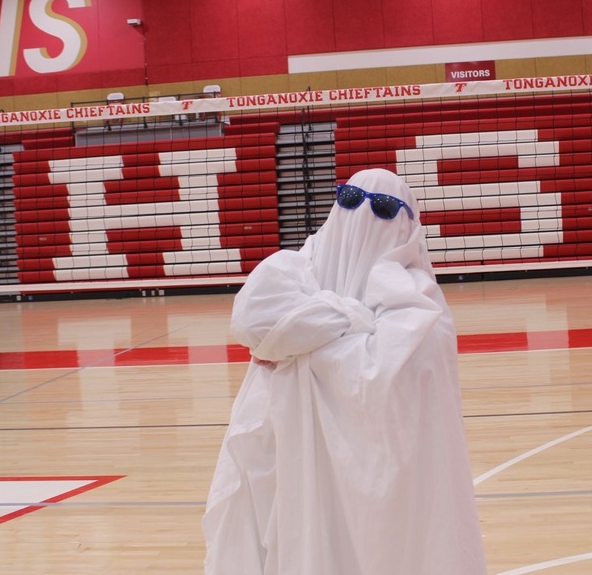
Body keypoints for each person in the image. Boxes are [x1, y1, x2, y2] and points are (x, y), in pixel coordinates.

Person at [202, 168, 487, 575]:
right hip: (289, 457)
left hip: (385, 495)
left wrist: (297, 348)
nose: (363, 214)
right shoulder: (295, 265)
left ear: (407, 226)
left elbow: (383, 376)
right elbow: (254, 318)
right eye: (351, 198)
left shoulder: (419, 301)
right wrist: (353, 315)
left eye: (385, 209)